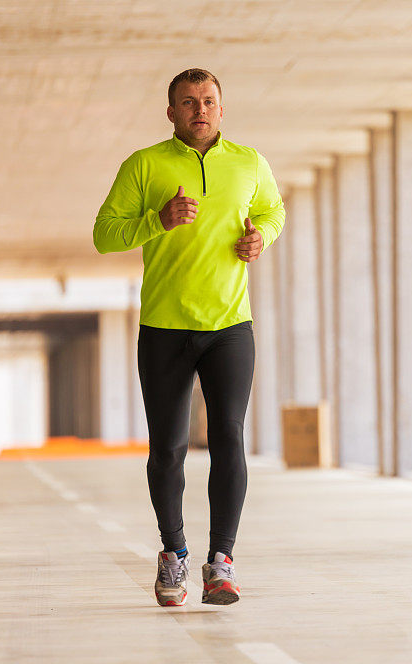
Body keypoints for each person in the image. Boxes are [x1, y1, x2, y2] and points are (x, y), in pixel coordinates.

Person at [93, 68, 285, 607]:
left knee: (228, 437)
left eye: (208, 101)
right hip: (164, 327)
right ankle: (173, 555)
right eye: (187, 102)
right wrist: (158, 219)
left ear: (222, 110)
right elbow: (104, 234)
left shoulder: (250, 162)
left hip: (230, 326)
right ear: (171, 112)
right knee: (169, 448)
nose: (199, 109)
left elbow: (273, 209)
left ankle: (220, 562)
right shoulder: (145, 164)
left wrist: (260, 237)